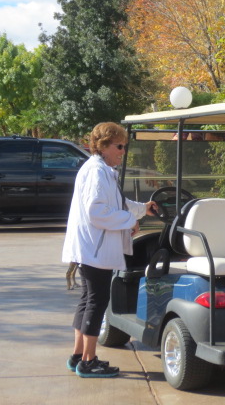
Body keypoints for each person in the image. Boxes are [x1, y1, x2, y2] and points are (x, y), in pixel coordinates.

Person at [62, 122, 157, 378]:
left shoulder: (101, 169)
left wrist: (142, 209)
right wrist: (130, 221)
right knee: (97, 301)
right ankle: (89, 361)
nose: (122, 151)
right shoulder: (97, 172)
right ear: (103, 145)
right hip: (96, 248)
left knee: (87, 300)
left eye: (124, 146)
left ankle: (78, 355)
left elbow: (118, 203)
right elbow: (97, 212)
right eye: (119, 146)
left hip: (92, 247)